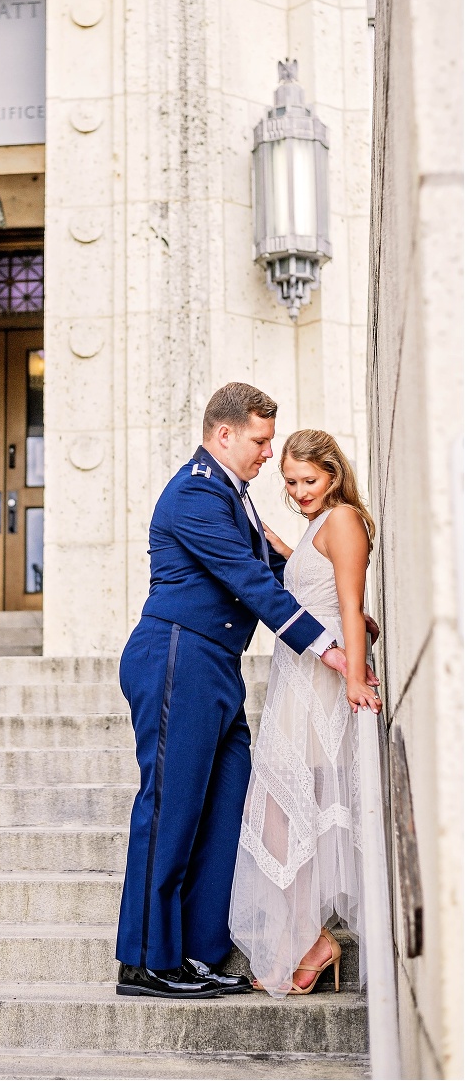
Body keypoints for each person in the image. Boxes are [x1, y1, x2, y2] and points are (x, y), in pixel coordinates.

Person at [115, 384, 379, 999]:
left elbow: (280, 559)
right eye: (260, 442)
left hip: (217, 667)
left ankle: (203, 953)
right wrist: (332, 650)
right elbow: (251, 580)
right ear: (224, 434)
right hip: (178, 653)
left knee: (227, 806)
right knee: (172, 806)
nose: (267, 455)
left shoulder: (231, 494)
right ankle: (148, 960)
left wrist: (343, 614)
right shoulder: (196, 492)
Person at [229, 429, 380, 997]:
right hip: (296, 680)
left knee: (282, 814)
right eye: (289, 482)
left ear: (334, 475)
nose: (298, 492)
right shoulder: (319, 526)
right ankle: (313, 939)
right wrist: (277, 544)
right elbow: (313, 582)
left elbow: (348, 603)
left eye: (309, 481)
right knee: (280, 816)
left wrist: (356, 680)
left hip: (320, 686)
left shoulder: (342, 520)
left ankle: (313, 941)